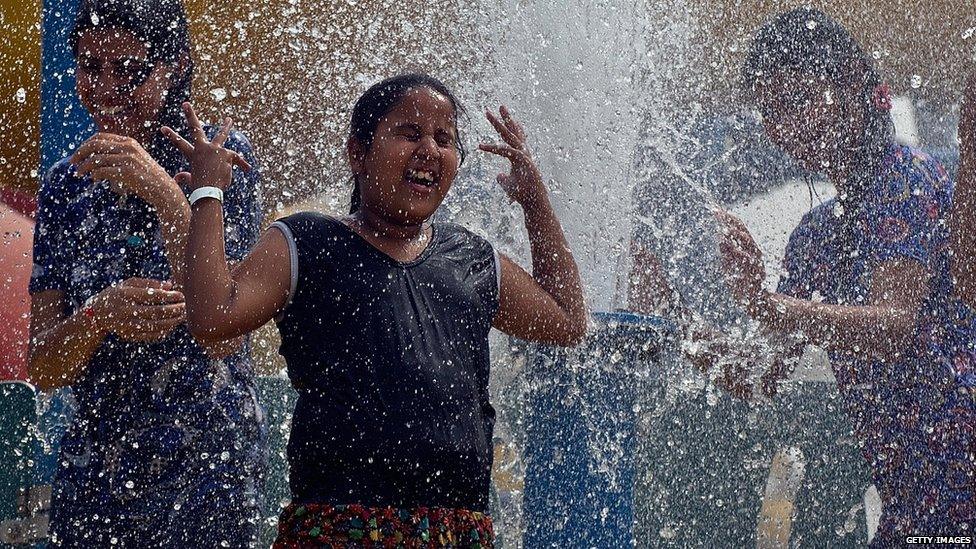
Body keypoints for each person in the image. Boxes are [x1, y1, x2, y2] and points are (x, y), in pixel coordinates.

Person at [165, 73, 587, 547]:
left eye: (443, 139)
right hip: (339, 530)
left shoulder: (472, 259)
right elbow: (212, 317)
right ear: (358, 153)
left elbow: (568, 321)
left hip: (457, 533)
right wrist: (206, 193)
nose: (428, 149)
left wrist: (535, 202)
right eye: (408, 133)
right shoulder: (306, 244)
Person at [710, 7, 974, 543]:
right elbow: (764, 376)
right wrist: (685, 336)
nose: (786, 126)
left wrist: (772, 306)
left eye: (800, 100)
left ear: (856, 89)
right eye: (771, 112)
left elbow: (893, 327)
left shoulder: (909, 179)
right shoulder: (814, 234)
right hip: (912, 508)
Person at [27, 0, 265, 545]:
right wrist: (96, 318)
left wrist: (168, 196)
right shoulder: (65, 187)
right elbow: (43, 365)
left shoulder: (220, 160)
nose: (106, 88)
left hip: (209, 468)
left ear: (175, 66)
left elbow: (226, 337)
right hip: (98, 476)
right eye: (91, 67)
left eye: (130, 71)